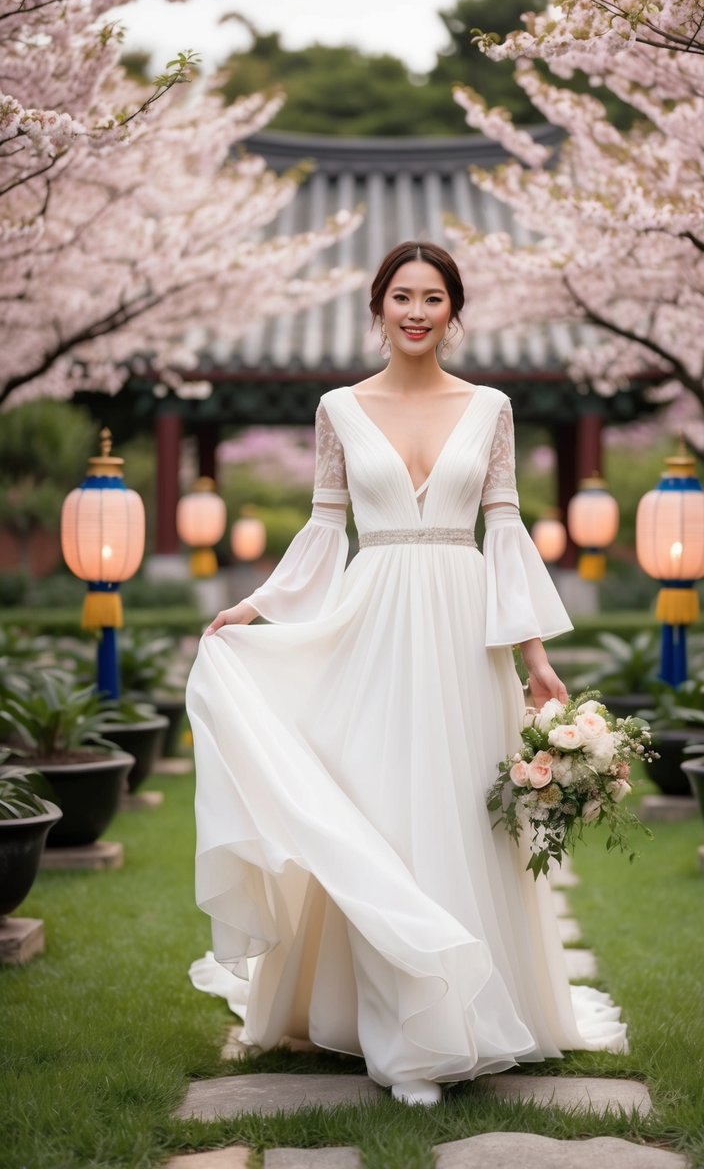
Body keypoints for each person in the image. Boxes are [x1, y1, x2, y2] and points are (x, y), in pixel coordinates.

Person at [185, 240, 627, 1109]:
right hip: (375, 616)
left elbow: (505, 533)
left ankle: (477, 1006)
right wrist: (257, 609)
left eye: (433, 297)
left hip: (466, 631)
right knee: (383, 807)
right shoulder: (338, 407)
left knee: (462, 809)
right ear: (378, 308)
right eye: (401, 296)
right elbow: (322, 532)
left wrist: (535, 657)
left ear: (453, 311)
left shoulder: (490, 406)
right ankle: (404, 1035)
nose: (416, 310)